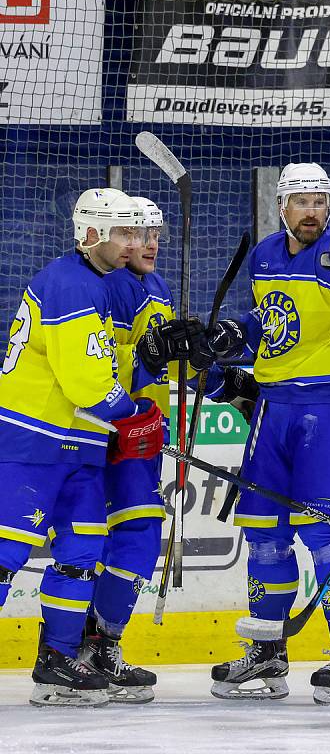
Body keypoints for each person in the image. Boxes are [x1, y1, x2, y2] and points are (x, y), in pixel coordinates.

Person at [189, 162, 330, 703]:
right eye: (301, 201)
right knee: (264, 534)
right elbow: (275, 321)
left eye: (320, 201)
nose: (311, 210)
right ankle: (267, 654)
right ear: (282, 207)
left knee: (328, 536)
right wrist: (233, 333)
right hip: (273, 409)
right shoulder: (267, 254)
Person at [80, 196, 257, 703]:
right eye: (139, 234)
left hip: (142, 436)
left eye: (156, 233)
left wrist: (224, 381)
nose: (151, 243)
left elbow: (165, 360)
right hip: (110, 436)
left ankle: (96, 645)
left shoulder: (152, 285)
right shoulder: (108, 287)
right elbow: (109, 367)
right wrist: (150, 354)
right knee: (124, 536)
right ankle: (90, 646)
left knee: (127, 538)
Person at [0, 188, 167, 707]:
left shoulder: (95, 283)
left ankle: (57, 659)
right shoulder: (70, 284)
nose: (132, 243)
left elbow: (108, 374)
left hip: (80, 446)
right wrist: (135, 415)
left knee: (80, 554)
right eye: (121, 233)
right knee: (5, 555)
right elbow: (88, 385)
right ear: (90, 233)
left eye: (135, 232)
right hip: (33, 441)